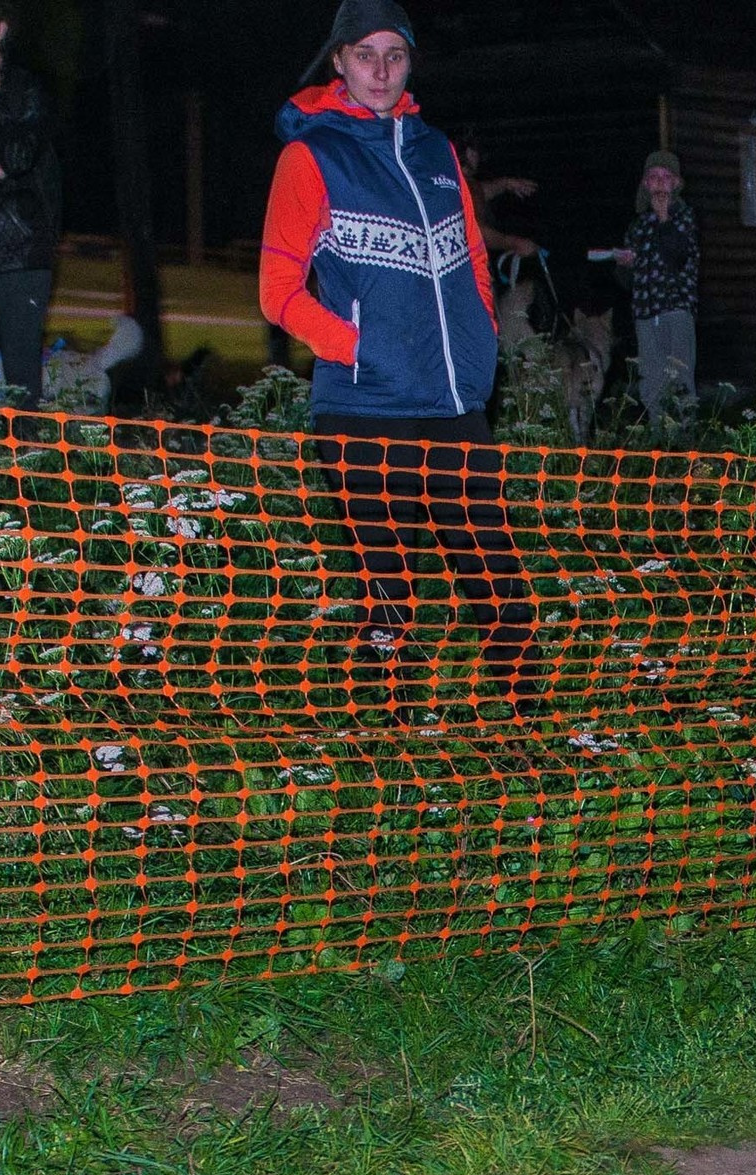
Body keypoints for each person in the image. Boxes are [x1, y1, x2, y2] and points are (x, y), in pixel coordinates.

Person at [259, 0, 538, 720]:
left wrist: (482, 338)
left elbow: (473, 256)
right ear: (340, 63)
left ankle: (526, 726)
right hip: (364, 405)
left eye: (396, 55)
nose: (381, 70)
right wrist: (362, 351)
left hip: (452, 403)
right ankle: (387, 742)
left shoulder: (437, 151)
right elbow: (278, 294)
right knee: (389, 582)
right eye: (365, 54)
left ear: (410, 63)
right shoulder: (310, 156)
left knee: (496, 572)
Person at [0, 0, 60, 406]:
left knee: (21, 387)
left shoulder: (24, 90)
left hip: (21, 255)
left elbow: (17, 161)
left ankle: (29, 468)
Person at [615, 149, 698, 423]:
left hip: (676, 310)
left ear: (676, 183)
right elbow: (625, 281)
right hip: (645, 313)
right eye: (654, 177)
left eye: (666, 176)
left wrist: (664, 217)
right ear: (645, 184)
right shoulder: (637, 226)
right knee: (651, 380)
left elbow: (678, 255)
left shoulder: (684, 217)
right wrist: (624, 265)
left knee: (681, 378)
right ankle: (658, 444)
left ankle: (686, 444)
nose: (660, 182)